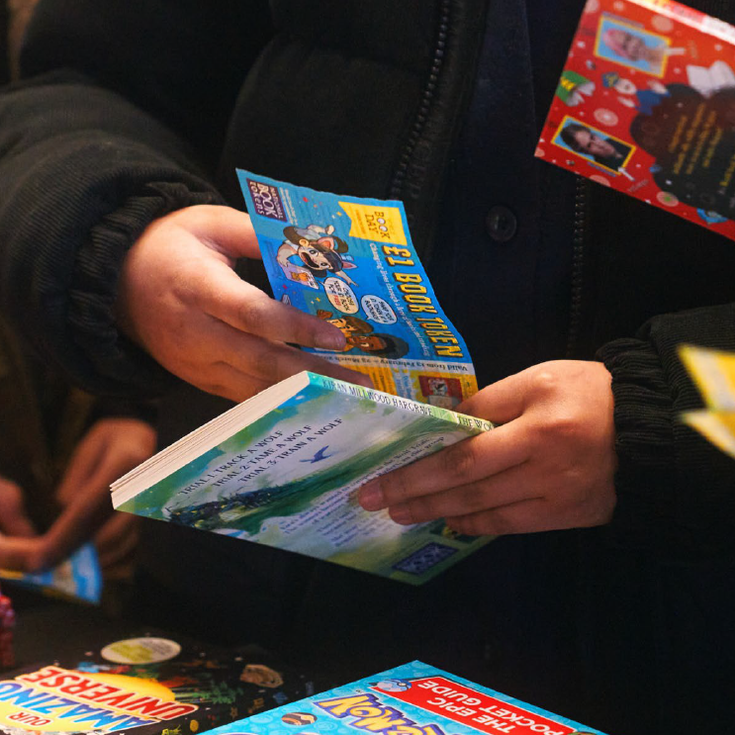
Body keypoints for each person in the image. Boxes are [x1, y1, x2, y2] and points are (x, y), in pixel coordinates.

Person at [0, 1, 734, 733]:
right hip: (258, 625)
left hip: (675, 639)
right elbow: (83, 89)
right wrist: (118, 244)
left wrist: (671, 417)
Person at [560, 122, 631, 171]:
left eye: (592, 137)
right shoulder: (604, 170)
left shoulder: (620, 136)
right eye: (589, 145)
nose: (599, 144)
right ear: (586, 153)